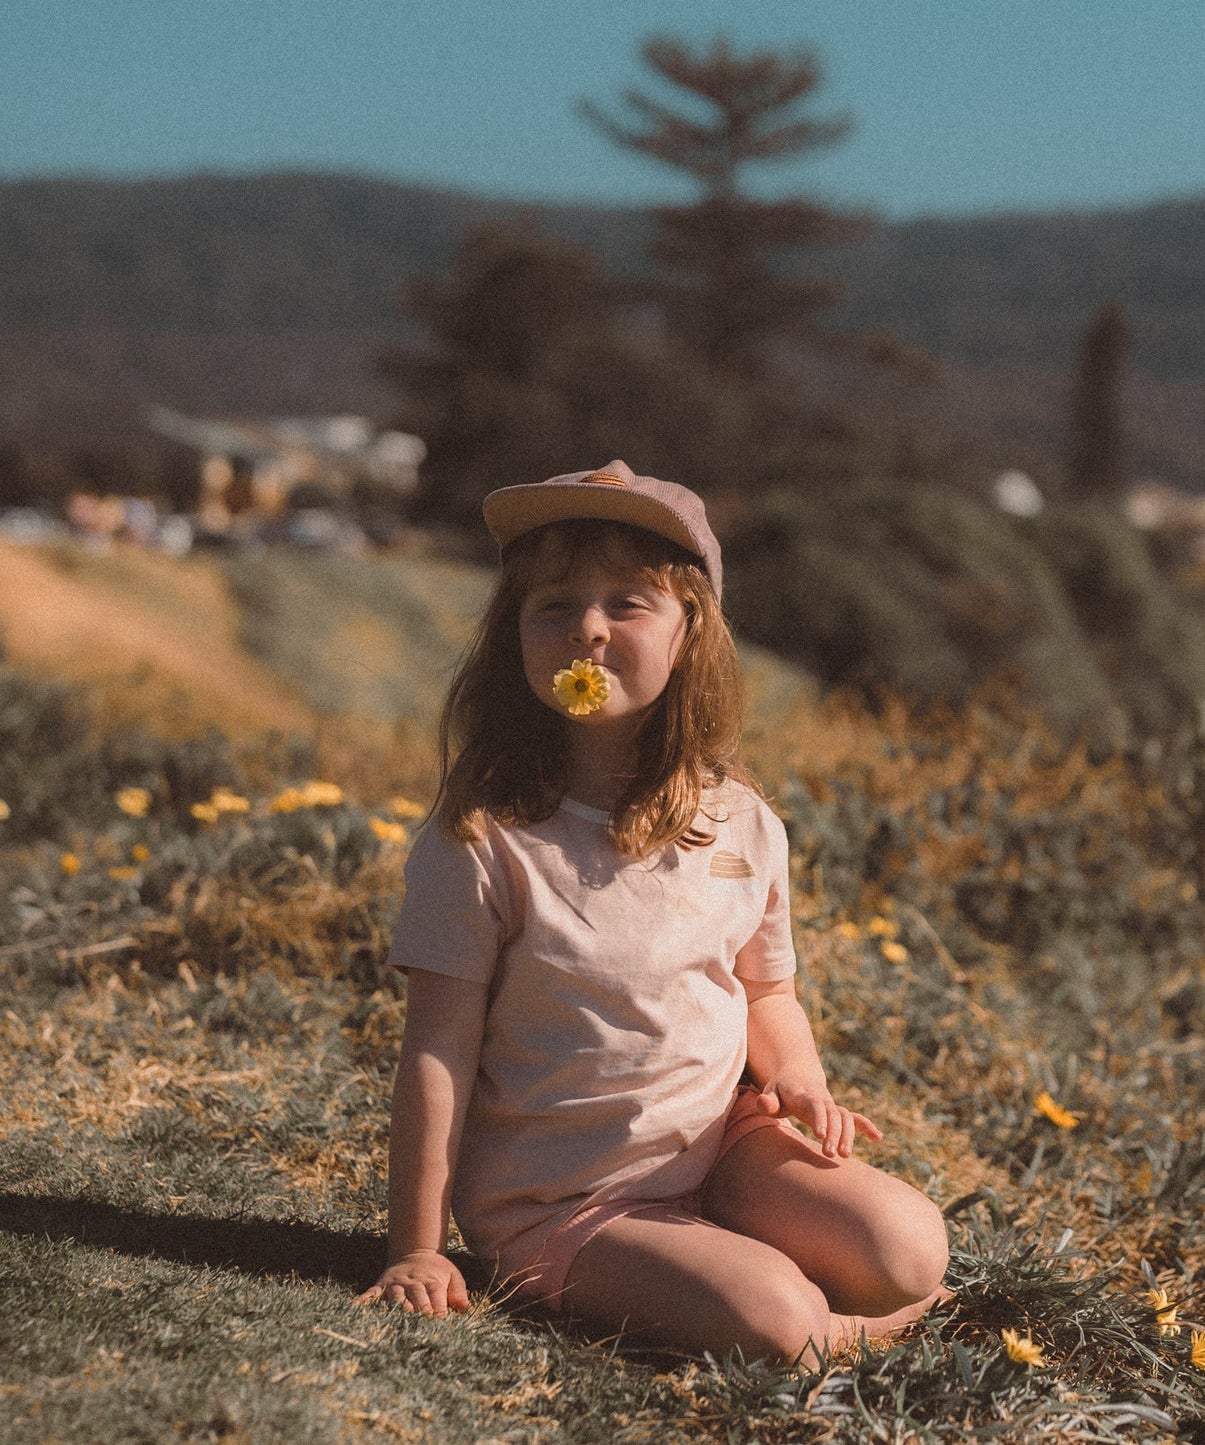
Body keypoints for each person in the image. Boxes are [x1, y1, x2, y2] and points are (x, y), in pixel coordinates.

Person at [353, 461, 950, 1363]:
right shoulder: (482, 839)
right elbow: (436, 1053)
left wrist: (798, 1078)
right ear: (514, 636)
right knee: (774, 1318)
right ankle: (834, 1326)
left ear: (689, 636)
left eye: (627, 603)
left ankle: (782, 1277)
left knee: (909, 1246)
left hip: (723, 1157)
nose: (586, 628)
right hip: (561, 1201)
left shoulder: (742, 822)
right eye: (552, 605)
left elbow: (766, 994)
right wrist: (417, 1248)